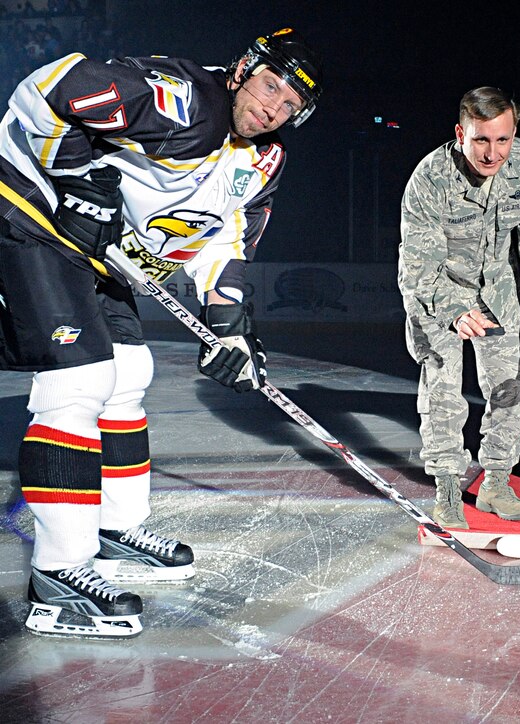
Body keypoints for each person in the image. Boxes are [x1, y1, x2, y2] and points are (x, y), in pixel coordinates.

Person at [0, 28, 324, 638]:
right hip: (27, 214)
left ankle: (112, 527)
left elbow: (224, 241)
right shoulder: (185, 100)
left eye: (290, 107)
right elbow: (51, 86)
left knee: (129, 375)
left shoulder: (262, 159)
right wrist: (70, 178)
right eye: (271, 86)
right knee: (80, 381)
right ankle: (57, 576)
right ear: (243, 69)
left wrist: (230, 329)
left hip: (97, 254)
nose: (273, 108)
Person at [398, 87, 520, 531]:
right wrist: (453, 310)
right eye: (481, 140)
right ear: (460, 133)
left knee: (510, 388)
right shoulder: (430, 178)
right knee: (443, 390)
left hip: (498, 290)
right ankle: (449, 485)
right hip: (437, 291)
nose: (493, 153)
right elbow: (418, 261)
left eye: (503, 140)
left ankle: (496, 482)